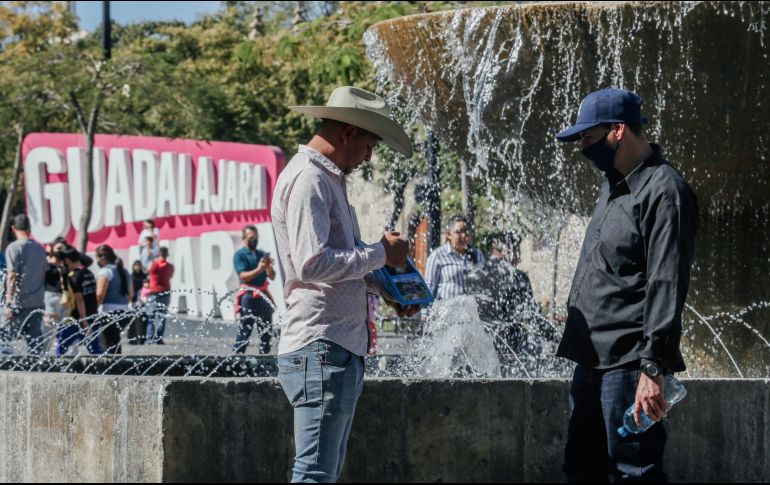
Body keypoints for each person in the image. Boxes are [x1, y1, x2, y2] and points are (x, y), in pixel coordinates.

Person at [272, 86, 418, 483]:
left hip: (334, 347)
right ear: (348, 132)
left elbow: (338, 266)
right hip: (321, 345)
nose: (370, 156)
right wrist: (379, 254)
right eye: (369, 144)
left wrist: (387, 290)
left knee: (323, 470)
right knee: (315, 472)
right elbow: (313, 264)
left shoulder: (326, 180)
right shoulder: (309, 180)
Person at [554, 88, 698, 482]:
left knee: (633, 470)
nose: (583, 147)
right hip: (592, 360)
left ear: (617, 130)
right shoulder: (613, 184)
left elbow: (667, 284)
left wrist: (653, 369)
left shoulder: (664, 191)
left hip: (629, 364)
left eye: (587, 137)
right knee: (581, 467)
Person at [0, 214, 48, 355]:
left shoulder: (13, 248)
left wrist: (8, 302)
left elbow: (12, 276)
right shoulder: (39, 248)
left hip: (18, 302)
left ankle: (6, 372)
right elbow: (43, 274)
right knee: (35, 341)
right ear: (29, 229)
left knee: (5, 338)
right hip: (37, 301)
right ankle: (39, 369)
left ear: (13, 228)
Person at [232, 224, 276, 354]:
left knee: (266, 329)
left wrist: (268, 267)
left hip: (263, 294)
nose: (254, 240)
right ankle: (237, 357)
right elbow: (243, 276)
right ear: (244, 238)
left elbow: (272, 276)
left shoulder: (261, 254)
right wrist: (260, 269)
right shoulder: (239, 255)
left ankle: (264, 357)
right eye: (251, 237)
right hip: (248, 296)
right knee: (246, 328)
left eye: (256, 237)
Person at [424, 215, 486, 302]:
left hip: (472, 313)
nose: (464, 235)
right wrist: (425, 314)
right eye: (459, 232)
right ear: (449, 234)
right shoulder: (437, 256)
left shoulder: (477, 254)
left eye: (466, 231)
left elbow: (484, 285)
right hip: (448, 313)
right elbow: (429, 288)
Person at [56, 247, 101, 355]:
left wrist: (84, 322)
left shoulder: (74, 276)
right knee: (95, 348)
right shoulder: (88, 272)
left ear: (67, 260)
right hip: (92, 314)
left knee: (62, 346)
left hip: (79, 318)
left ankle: (57, 367)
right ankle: (104, 368)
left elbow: (79, 299)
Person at [94, 244, 133, 354]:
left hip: (109, 311)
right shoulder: (124, 271)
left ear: (102, 257)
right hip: (125, 311)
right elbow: (131, 294)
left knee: (107, 344)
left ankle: (109, 368)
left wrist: (93, 310)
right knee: (115, 342)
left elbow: (99, 295)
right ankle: (118, 366)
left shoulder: (105, 272)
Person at [145, 246, 174, 345]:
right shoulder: (170, 266)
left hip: (154, 293)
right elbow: (170, 275)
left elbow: (147, 271)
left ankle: (149, 339)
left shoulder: (155, 264)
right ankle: (159, 339)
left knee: (150, 318)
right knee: (162, 317)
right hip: (165, 292)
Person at [43, 237, 70, 329]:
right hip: (51, 296)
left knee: (60, 328)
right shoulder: (47, 262)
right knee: (49, 327)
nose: (61, 251)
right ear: (52, 248)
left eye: (63, 248)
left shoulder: (65, 263)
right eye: (58, 248)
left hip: (64, 298)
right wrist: (48, 253)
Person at [128, 260, 147, 344]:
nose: (137, 267)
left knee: (142, 320)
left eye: (139, 265)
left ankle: (141, 339)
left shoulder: (144, 276)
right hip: (133, 300)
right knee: (132, 320)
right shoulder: (131, 276)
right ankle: (132, 339)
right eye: (136, 265)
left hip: (142, 300)